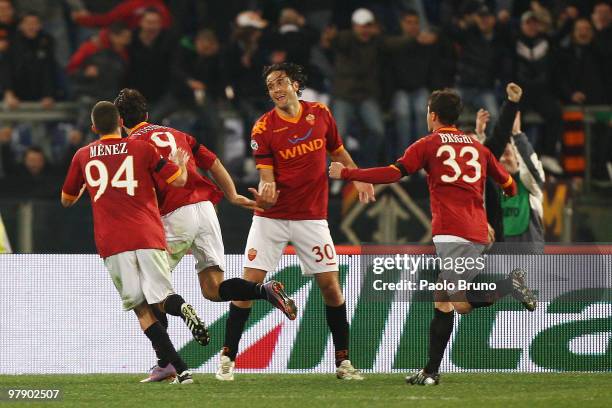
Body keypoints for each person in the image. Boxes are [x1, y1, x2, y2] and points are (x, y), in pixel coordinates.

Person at [329, 88, 537, 385]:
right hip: (475, 231)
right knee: (452, 302)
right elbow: (509, 185)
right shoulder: (478, 148)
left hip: (454, 232)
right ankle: (430, 371)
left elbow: (393, 172)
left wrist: (349, 174)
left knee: (450, 301)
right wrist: (495, 193)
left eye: (428, 110)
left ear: (434, 115)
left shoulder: (428, 144)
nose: (427, 115)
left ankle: (509, 285)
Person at [113, 88, 297, 382]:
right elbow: (214, 163)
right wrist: (234, 195)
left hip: (175, 214)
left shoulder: (130, 146)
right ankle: (263, 290)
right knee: (214, 288)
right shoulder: (178, 134)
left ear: (121, 120)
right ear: (147, 114)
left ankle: (165, 363)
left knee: (147, 290)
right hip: (206, 210)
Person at [218, 62, 375, 382]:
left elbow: (338, 151)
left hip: (311, 218)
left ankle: (343, 363)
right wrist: (267, 189)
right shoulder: (263, 128)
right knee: (247, 286)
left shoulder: (321, 113)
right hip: (271, 218)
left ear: (295, 84)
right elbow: (266, 174)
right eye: (270, 86)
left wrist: (357, 176)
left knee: (331, 287)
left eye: (280, 83)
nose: (275, 89)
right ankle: (227, 358)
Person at [61, 101, 208, 384]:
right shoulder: (141, 148)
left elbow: (66, 200)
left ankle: (181, 369)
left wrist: (85, 187)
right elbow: (178, 181)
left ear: (93, 127)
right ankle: (182, 310)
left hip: (113, 240)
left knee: (141, 308)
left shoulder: (83, 155)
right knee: (161, 298)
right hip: (148, 233)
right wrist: (179, 165)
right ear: (120, 123)